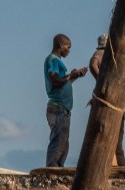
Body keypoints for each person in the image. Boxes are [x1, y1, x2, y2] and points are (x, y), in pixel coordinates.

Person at [89, 34, 125, 167]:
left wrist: (107, 86)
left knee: (103, 140)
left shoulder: (110, 56)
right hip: (114, 106)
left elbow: (93, 64)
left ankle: (111, 168)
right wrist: (111, 87)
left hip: (108, 106)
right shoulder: (105, 54)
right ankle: (120, 170)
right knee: (117, 143)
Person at [43, 34, 88, 167]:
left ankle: (57, 167)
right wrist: (70, 76)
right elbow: (55, 81)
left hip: (63, 109)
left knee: (63, 142)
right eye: (68, 47)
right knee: (58, 140)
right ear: (61, 46)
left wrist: (76, 76)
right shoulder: (53, 60)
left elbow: (63, 83)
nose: (69, 50)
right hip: (58, 108)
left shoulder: (57, 61)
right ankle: (52, 168)